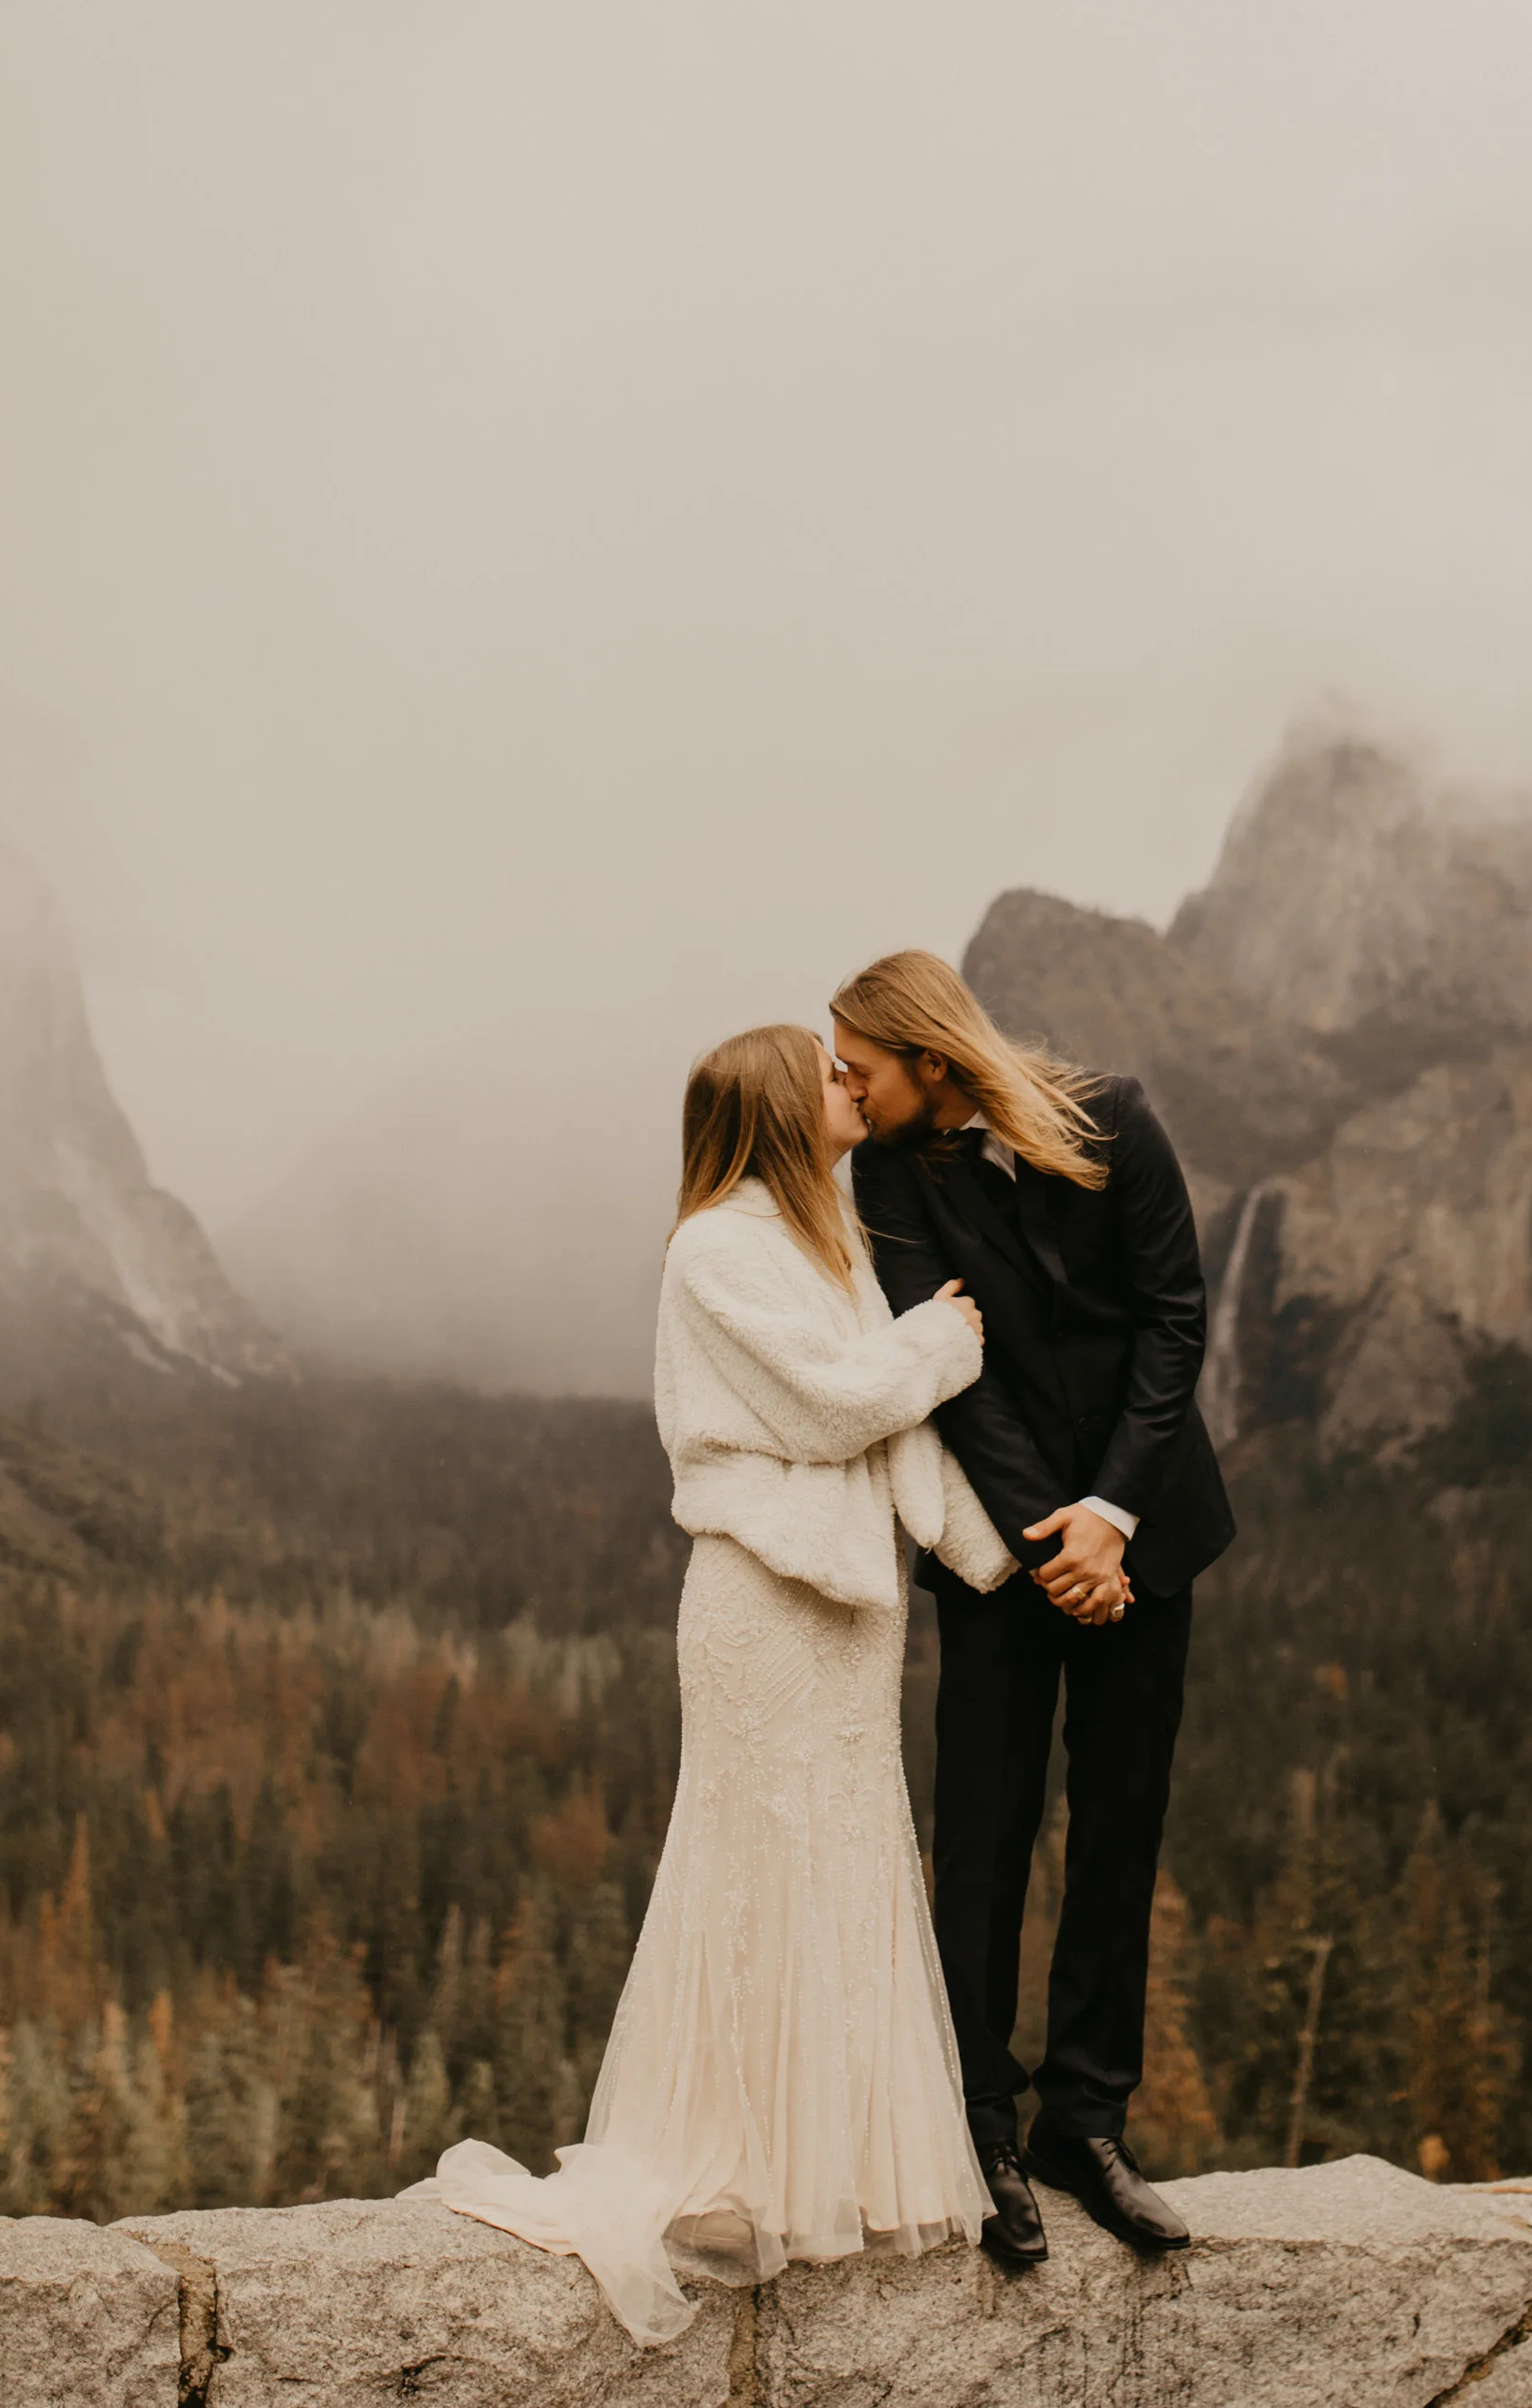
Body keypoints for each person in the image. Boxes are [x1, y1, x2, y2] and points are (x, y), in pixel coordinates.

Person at [411, 1023, 1014, 2342]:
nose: (851, 1083)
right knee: (757, 1859)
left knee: (847, 1853)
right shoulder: (714, 1246)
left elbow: (889, 1430)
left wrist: (998, 1556)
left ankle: (822, 2169)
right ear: (777, 1108)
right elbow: (833, 1404)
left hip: (851, 1615)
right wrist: (940, 1343)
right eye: (829, 1072)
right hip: (762, 1606)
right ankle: (731, 2160)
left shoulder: (832, 1235)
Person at [831, 950, 1234, 2270]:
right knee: (985, 1831)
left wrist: (1111, 1515)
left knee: (1121, 1825)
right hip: (1008, 1556)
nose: (847, 1085)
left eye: (861, 1065)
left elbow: (1177, 1318)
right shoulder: (886, 1177)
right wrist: (1047, 1535)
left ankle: (1088, 2122)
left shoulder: (1114, 1115)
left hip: (1143, 1538)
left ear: (929, 1062)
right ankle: (980, 2127)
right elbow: (951, 1372)